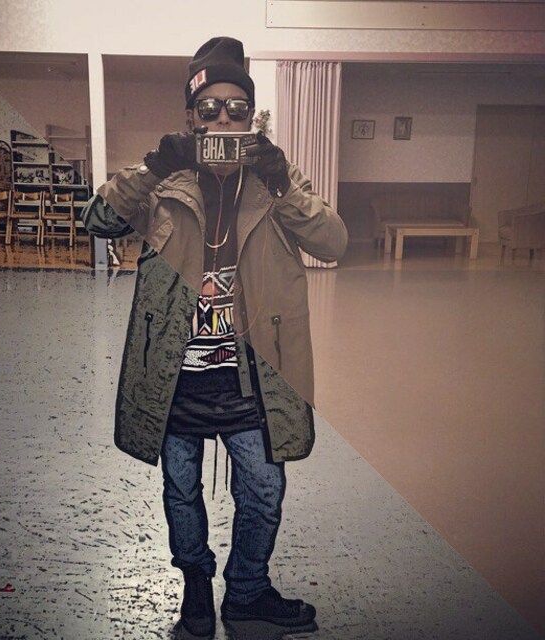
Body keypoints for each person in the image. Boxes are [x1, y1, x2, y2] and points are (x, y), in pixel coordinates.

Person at [82, 36, 348, 638]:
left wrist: (281, 183)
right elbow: (97, 221)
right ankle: (196, 587)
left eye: (237, 109)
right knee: (182, 491)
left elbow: (333, 243)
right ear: (190, 117)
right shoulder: (162, 183)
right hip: (174, 377)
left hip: (252, 377)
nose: (224, 120)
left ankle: (247, 591)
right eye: (209, 109)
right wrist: (153, 166)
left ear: (251, 118)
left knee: (264, 490)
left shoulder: (276, 182)